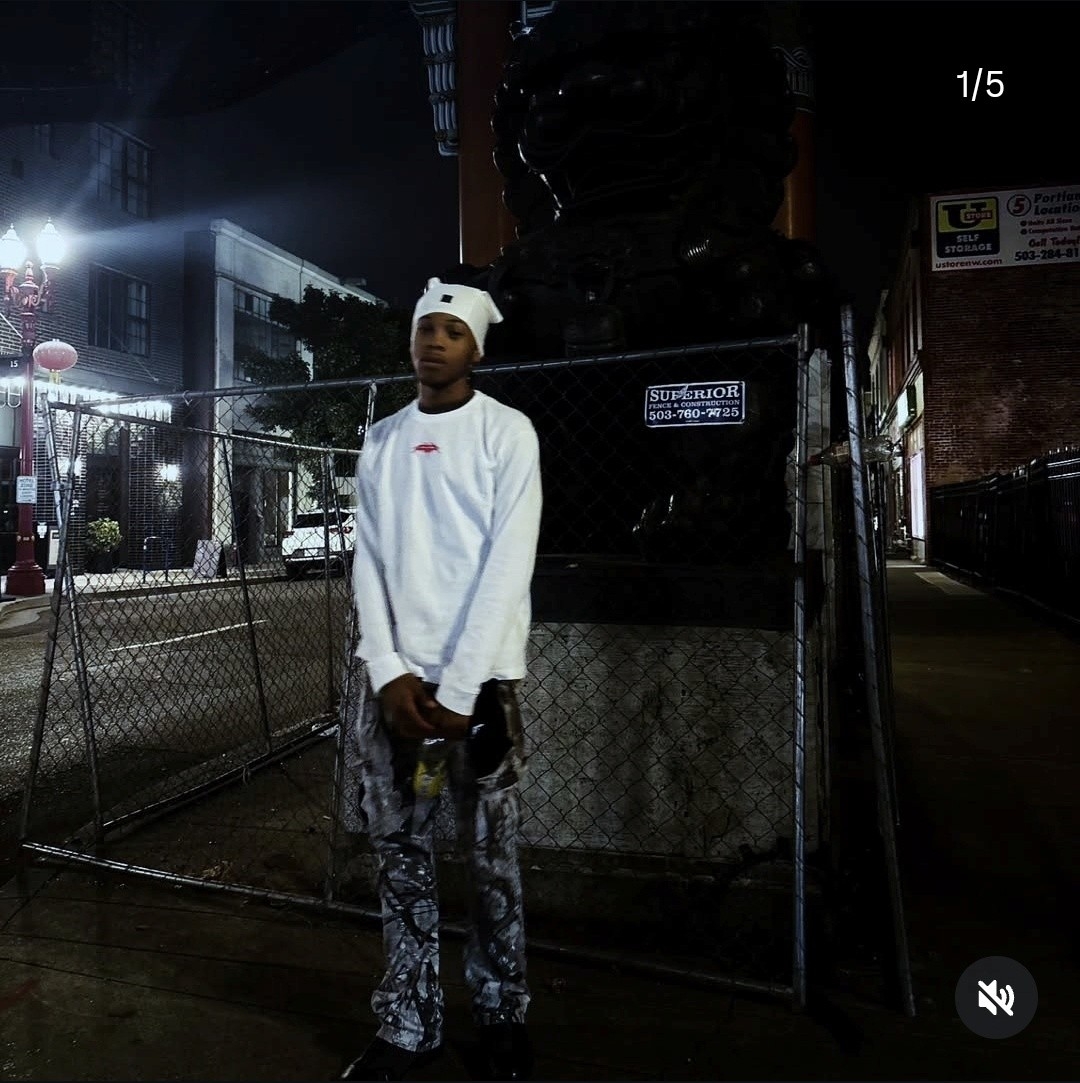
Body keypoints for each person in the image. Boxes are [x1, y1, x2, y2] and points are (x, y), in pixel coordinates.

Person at [341, 279, 542, 1082]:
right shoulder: (383, 438)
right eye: (426, 327)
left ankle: (501, 1017)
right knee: (402, 856)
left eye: (453, 331)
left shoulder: (507, 431)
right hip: (396, 694)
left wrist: (459, 692)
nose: (435, 340)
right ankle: (408, 1024)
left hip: (480, 691)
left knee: (491, 859)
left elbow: (508, 561)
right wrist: (388, 671)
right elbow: (367, 560)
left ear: (476, 349)